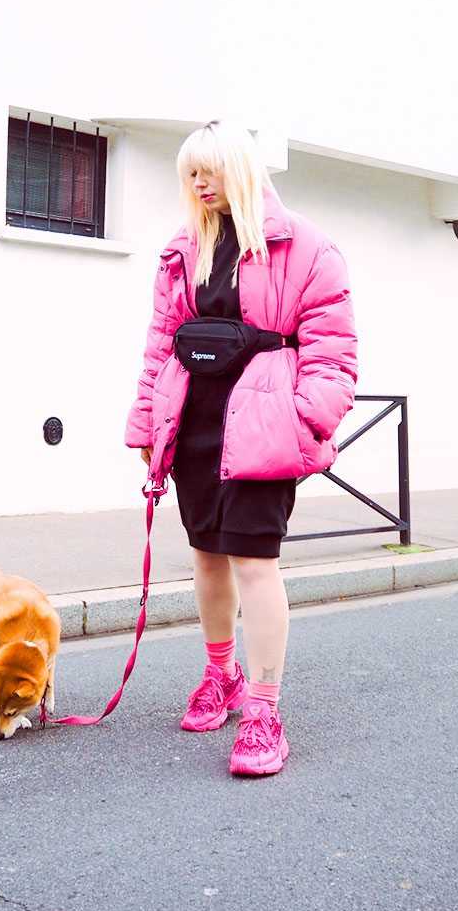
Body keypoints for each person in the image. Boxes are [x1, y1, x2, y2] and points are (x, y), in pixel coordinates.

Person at [126, 121, 357, 776]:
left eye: (209, 171)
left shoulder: (306, 247)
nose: (198, 184)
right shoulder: (182, 248)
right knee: (206, 558)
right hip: (195, 419)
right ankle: (220, 674)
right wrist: (147, 425)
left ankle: (263, 709)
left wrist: (304, 418)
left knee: (254, 561)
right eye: (189, 174)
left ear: (242, 169)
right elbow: (158, 343)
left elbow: (333, 350)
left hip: (263, 424)